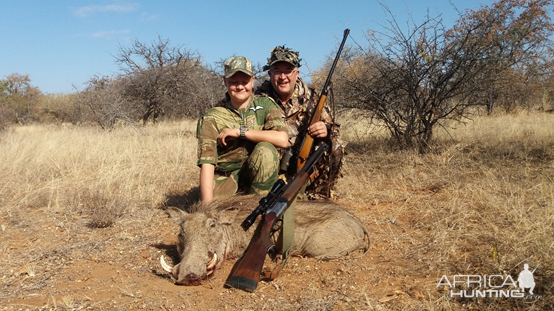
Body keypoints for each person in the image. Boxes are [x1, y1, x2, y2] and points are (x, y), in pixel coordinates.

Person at [255, 46, 345, 199]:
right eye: (277, 71)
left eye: (288, 71)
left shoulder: (313, 98)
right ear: (270, 74)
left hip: (303, 164)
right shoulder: (258, 99)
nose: (283, 77)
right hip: (270, 164)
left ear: (296, 74)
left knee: (335, 145)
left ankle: (321, 194)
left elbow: (334, 129)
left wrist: (326, 130)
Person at [197, 56, 289, 203]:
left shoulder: (265, 104)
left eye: (245, 82)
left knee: (265, 150)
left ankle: (260, 202)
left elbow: (283, 139)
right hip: (226, 176)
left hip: (257, 172)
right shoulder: (212, 117)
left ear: (253, 81)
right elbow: (207, 162)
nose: (240, 87)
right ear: (225, 81)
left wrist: (241, 132)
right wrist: (206, 206)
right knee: (216, 208)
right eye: (234, 82)